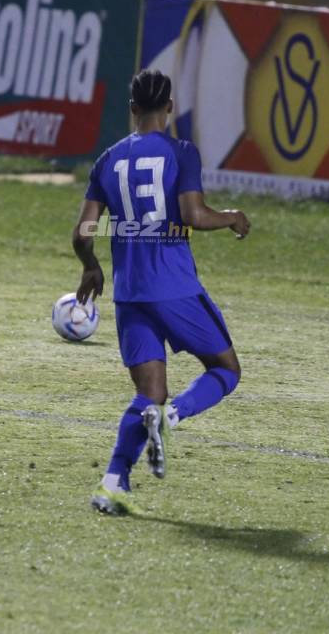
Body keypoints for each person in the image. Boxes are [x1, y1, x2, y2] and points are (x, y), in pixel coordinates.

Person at [72, 69, 250, 515]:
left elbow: (83, 230)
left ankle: (112, 484)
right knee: (226, 370)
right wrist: (230, 216)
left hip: (130, 295)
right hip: (174, 289)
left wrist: (92, 265)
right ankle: (170, 419)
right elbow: (191, 214)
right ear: (169, 106)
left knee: (149, 392)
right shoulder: (182, 152)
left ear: (131, 109)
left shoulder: (107, 160)